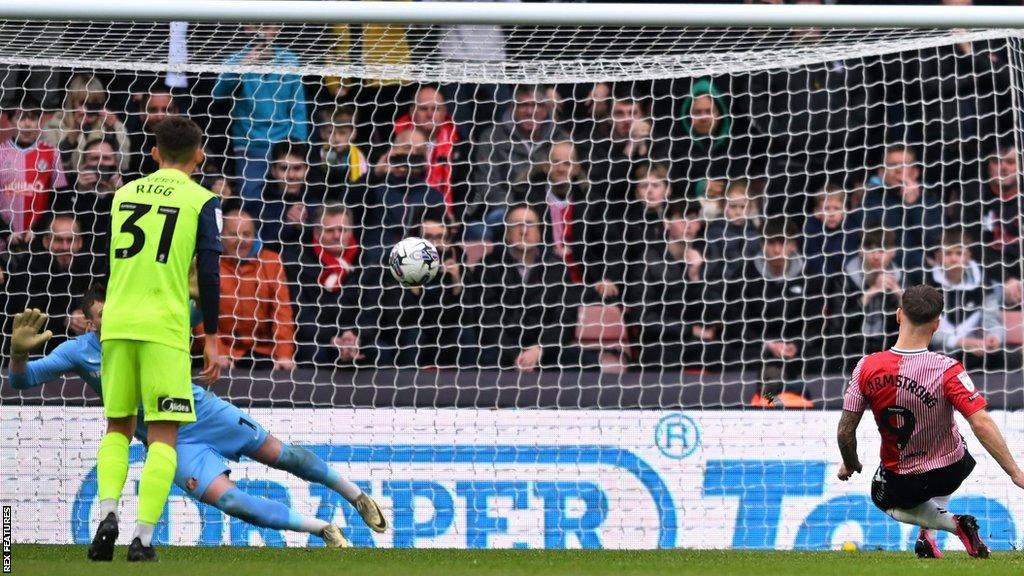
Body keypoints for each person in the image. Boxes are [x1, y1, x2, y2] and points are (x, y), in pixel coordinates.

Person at [6, 289, 386, 548]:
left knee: (283, 456)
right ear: (89, 323)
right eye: (105, 314)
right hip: (170, 441)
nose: (117, 316)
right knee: (234, 504)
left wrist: (201, 305)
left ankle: (355, 495)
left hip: (204, 412)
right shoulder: (78, 352)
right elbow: (21, 380)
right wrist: (18, 354)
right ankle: (323, 529)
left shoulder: (153, 325)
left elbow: (200, 307)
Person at [89, 116, 221, 562]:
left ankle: (107, 513)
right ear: (199, 156)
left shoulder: (122, 195)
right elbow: (208, 272)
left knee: (118, 427)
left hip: (117, 323)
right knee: (164, 436)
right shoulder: (203, 199)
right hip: (163, 328)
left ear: (154, 155)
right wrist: (213, 336)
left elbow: (105, 262)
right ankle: (142, 540)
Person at [836, 284, 1024, 560]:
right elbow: (981, 422)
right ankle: (927, 538)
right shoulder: (949, 369)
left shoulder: (866, 366)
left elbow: (845, 431)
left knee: (880, 494)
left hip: (903, 481)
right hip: (953, 469)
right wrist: (1014, 472)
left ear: (899, 315)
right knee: (954, 436)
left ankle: (955, 524)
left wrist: (850, 462)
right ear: (937, 324)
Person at [465, 204, 597, 371]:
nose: (523, 231)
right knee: (487, 359)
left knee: (586, 362)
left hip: (544, 351)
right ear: (506, 233)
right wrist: (514, 354)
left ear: (539, 233)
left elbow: (565, 318)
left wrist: (539, 349)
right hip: (503, 350)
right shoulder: (488, 267)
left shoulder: (556, 268)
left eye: (529, 224)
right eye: (516, 225)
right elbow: (487, 318)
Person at [212, 24, 310, 201]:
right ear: (246, 29)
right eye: (257, 26)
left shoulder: (290, 60)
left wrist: (298, 145)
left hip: (284, 145)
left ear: (278, 29)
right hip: (249, 144)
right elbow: (217, 94)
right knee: (251, 199)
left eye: (268, 26)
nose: (262, 31)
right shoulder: (235, 60)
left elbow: (298, 108)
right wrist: (242, 67)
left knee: (288, 199)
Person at [217, 202, 297, 371]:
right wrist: (216, 351)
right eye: (233, 234)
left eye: (247, 234)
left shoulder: (271, 261)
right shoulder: (208, 263)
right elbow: (200, 315)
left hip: (263, 353)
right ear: (221, 235)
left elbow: (282, 313)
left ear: (255, 235)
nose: (241, 240)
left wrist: (284, 355)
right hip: (221, 352)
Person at [925, 229, 1005, 369]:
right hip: (935, 352)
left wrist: (994, 337)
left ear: (968, 256)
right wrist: (959, 342)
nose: (954, 259)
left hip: (972, 350)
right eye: (948, 253)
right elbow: (924, 329)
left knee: (1002, 358)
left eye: (959, 253)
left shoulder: (983, 284)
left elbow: (992, 319)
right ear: (938, 257)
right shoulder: (925, 284)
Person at [0, 103, 67, 239]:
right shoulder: (1, 153)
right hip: (4, 236)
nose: (27, 124)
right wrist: (6, 232)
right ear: (10, 121)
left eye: (32, 118)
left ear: (39, 122)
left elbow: (59, 198)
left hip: (39, 235)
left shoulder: (52, 153)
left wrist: (40, 229)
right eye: (21, 118)